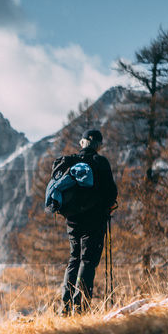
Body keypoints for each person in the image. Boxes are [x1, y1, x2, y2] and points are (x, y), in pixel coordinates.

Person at [53, 129, 118, 312]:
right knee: (87, 261)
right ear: (98, 145)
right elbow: (111, 193)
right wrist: (106, 207)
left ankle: (65, 307)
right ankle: (80, 306)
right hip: (95, 220)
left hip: (72, 219)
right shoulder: (100, 162)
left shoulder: (70, 161)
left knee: (74, 259)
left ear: (82, 143)